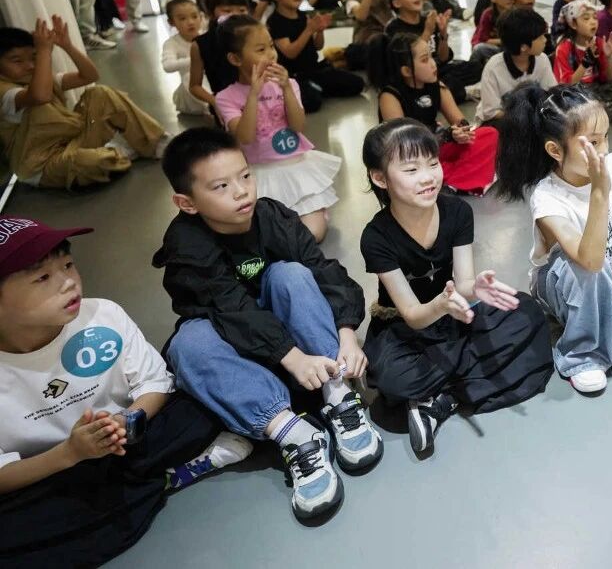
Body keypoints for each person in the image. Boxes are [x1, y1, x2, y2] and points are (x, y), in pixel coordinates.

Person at [155, 127, 381, 521]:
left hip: (302, 349)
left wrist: (347, 336)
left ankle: (338, 393)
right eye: (221, 186)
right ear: (186, 202)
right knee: (187, 344)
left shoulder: (271, 215)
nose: (242, 191)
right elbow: (232, 310)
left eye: (245, 175)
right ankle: (295, 434)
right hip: (242, 350)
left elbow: (323, 270)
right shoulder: (187, 245)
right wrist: (292, 358)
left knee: (291, 274)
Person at [0, 217, 248, 568]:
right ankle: (160, 480)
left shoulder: (102, 315)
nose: (69, 282)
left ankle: (134, 490)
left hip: (132, 441)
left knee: (203, 397)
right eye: (42, 277)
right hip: (52, 470)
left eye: (68, 264)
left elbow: (155, 384)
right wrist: (70, 453)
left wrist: (126, 420)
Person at [359, 118, 551, 442]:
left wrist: (475, 289)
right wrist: (443, 304)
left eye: (433, 164)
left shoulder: (457, 212)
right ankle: (455, 386)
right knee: (392, 378)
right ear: (380, 178)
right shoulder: (376, 237)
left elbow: (463, 285)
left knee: (527, 313)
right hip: (405, 328)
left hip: (454, 316)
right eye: (411, 170)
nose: (428, 177)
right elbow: (412, 315)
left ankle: (439, 398)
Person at [494, 85, 612, 394]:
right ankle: (581, 355)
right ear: (555, 150)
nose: (602, 150)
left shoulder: (611, 166)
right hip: (568, 281)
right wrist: (600, 193)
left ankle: (605, 329)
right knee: (593, 272)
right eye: (592, 143)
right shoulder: (547, 196)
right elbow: (589, 260)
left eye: (604, 138)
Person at [213, 15, 341, 242]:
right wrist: (253, 94)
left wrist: (286, 89)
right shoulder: (226, 97)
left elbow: (298, 126)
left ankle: (312, 213)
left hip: (296, 167)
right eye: (261, 50)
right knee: (264, 236)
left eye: (271, 46)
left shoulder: (289, 84)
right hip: (259, 174)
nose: (271, 54)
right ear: (235, 58)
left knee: (313, 234)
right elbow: (245, 137)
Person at [0, 17, 166, 189]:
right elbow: (40, 96)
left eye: (33, 58)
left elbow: (89, 76)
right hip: (42, 165)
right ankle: (112, 154)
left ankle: (157, 144)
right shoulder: (5, 92)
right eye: (17, 61)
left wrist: (68, 46)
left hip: (72, 142)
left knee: (101, 93)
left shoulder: (40, 80)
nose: (30, 66)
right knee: (94, 161)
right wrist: (44, 52)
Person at [375, 34, 499, 194]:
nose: (433, 64)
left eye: (432, 57)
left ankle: (447, 182)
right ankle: (456, 178)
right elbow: (404, 144)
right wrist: (445, 136)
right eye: (425, 60)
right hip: (411, 157)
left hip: (436, 147)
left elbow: (461, 121)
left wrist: (460, 132)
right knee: (411, 168)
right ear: (406, 70)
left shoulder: (436, 86)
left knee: (490, 133)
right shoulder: (390, 96)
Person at [263, 0, 363, 113]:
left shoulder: (303, 16)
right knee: (312, 102)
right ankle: (312, 89)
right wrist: (309, 30)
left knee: (357, 84)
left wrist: (320, 30)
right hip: (294, 75)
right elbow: (290, 52)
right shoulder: (275, 22)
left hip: (314, 69)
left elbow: (318, 46)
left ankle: (317, 87)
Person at [553, 0, 612, 116]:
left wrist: (609, 58)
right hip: (576, 93)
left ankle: (605, 108)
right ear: (573, 24)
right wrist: (585, 63)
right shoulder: (564, 48)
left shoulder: (599, 42)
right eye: (586, 18)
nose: (593, 22)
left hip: (596, 89)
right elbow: (566, 86)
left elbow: (609, 79)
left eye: (595, 17)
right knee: (580, 103)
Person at [476, 7, 557, 123]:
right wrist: (524, 118)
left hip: (531, 118)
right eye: (540, 37)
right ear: (523, 47)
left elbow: (551, 95)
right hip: (500, 120)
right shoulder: (494, 68)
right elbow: (490, 112)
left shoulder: (542, 59)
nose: (545, 40)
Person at [188, 0, 251, 111]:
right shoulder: (201, 44)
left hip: (259, 100)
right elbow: (194, 86)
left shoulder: (255, 37)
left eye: (242, 10)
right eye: (227, 11)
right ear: (211, 14)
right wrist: (216, 102)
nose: (236, 15)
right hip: (227, 107)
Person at [160, 0, 209, 116]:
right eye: (182, 18)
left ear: (201, 16)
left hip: (210, 80)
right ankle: (211, 107)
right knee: (189, 76)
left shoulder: (206, 37)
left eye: (194, 16)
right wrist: (196, 60)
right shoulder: (171, 43)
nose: (190, 22)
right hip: (190, 93)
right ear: (171, 22)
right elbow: (168, 66)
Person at [470, 0, 513, 66]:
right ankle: (472, 71)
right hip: (495, 48)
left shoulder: (515, 13)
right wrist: (504, 41)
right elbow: (482, 40)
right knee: (479, 49)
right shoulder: (488, 14)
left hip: (510, 49)